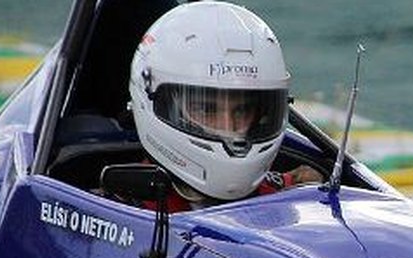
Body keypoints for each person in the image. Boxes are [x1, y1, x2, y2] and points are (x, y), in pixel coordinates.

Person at [125, 1, 322, 212]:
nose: (229, 126)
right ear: (155, 102)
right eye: (206, 110)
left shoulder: (294, 196)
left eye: (243, 110)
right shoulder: (121, 212)